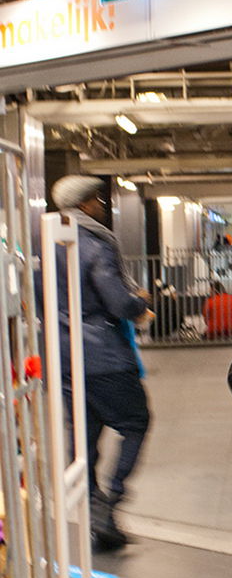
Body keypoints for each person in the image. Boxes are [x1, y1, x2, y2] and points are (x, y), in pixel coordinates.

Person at [42, 175, 153, 551]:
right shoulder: (95, 244)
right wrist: (140, 301)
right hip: (103, 356)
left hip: (63, 358)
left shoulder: (46, 246)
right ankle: (111, 500)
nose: (102, 206)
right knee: (135, 422)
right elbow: (119, 303)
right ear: (85, 204)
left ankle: (96, 516)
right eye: (98, 200)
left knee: (84, 438)